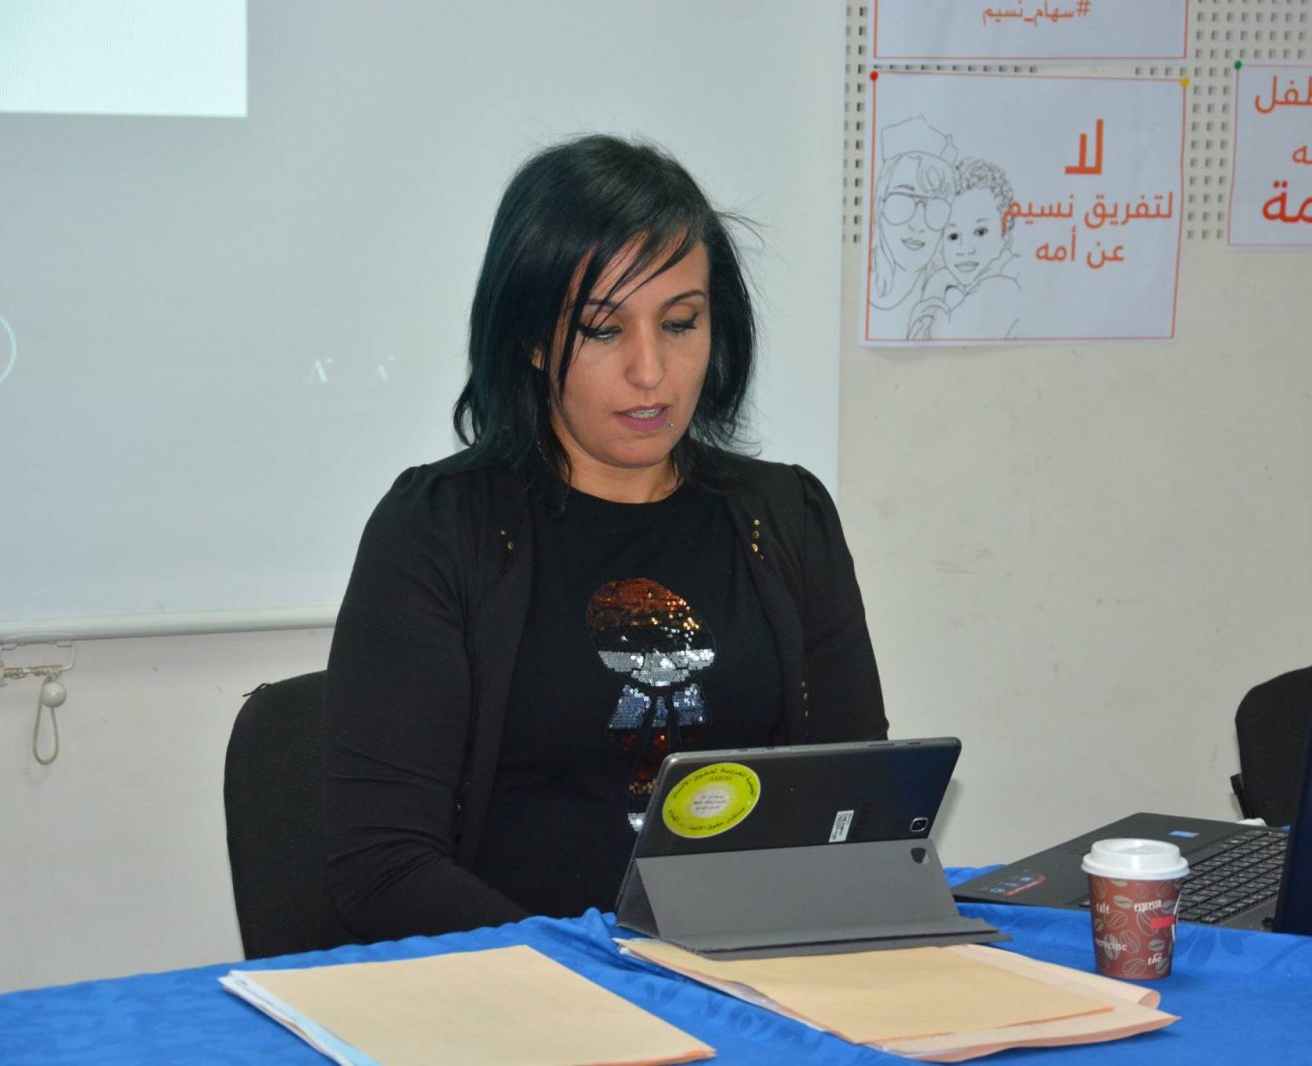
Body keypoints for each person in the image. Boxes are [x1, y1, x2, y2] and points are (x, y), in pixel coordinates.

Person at [322, 134, 888, 943]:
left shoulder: (786, 517)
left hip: (746, 970)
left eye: (681, 323)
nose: (651, 371)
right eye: (602, 330)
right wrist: (599, 972)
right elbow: (382, 867)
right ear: (532, 338)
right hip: (528, 980)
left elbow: (858, 809)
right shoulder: (438, 530)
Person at [908, 158, 1023, 341]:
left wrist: (936, 286)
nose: (965, 249)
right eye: (953, 236)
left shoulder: (1005, 286)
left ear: (1005, 230)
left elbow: (927, 340)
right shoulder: (955, 286)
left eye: (980, 232)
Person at [866, 116, 956, 340]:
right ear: (880, 203)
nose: (918, 224)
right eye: (903, 199)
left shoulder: (945, 293)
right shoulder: (858, 281)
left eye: (935, 206)